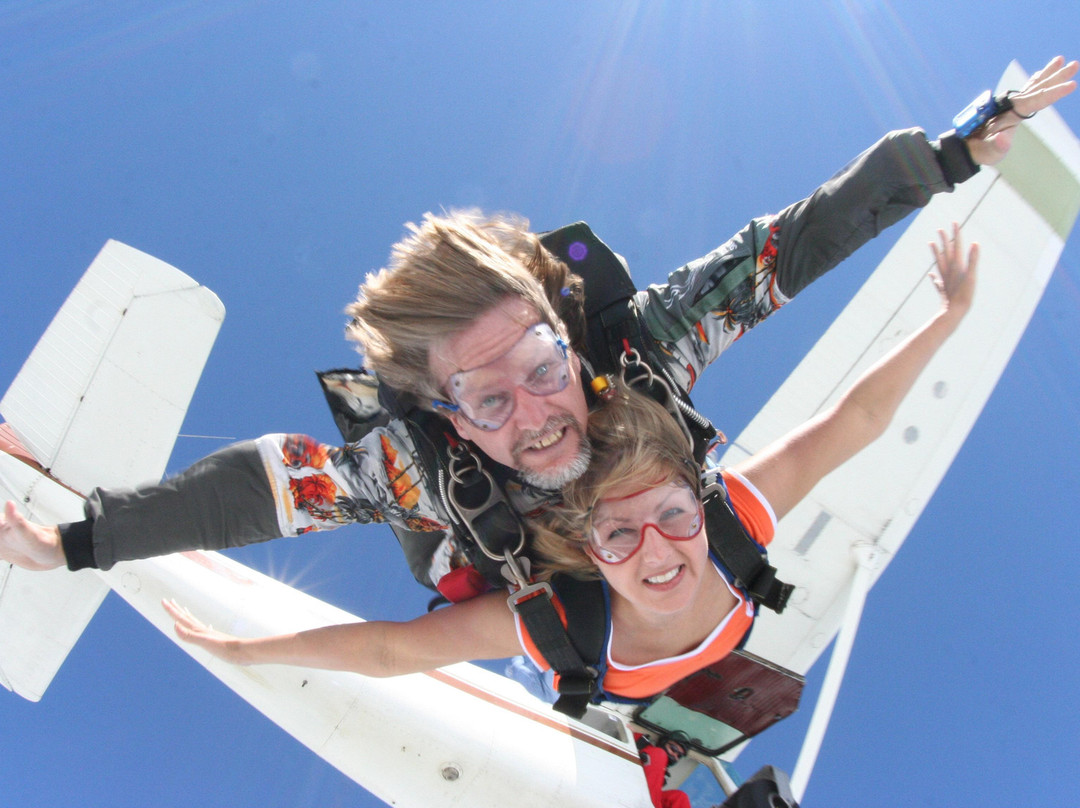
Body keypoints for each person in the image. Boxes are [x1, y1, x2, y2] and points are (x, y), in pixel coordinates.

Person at [2, 57, 1074, 599]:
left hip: (607, 541)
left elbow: (781, 253)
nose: (536, 415)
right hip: (487, 549)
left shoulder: (643, 349)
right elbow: (271, 488)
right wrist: (80, 540)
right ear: (451, 414)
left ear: (571, 342)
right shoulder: (427, 471)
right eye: (486, 398)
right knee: (441, 552)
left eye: (539, 366)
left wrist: (942, 158)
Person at [162, 224, 976, 711]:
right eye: (619, 533)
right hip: (507, 522)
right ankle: (432, 415)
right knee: (455, 528)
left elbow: (858, 419)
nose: (658, 550)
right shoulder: (563, 623)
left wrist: (950, 316)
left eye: (673, 517)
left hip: (609, 668)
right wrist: (247, 653)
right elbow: (387, 653)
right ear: (590, 548)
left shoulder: (729, 531)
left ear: (702, 503)